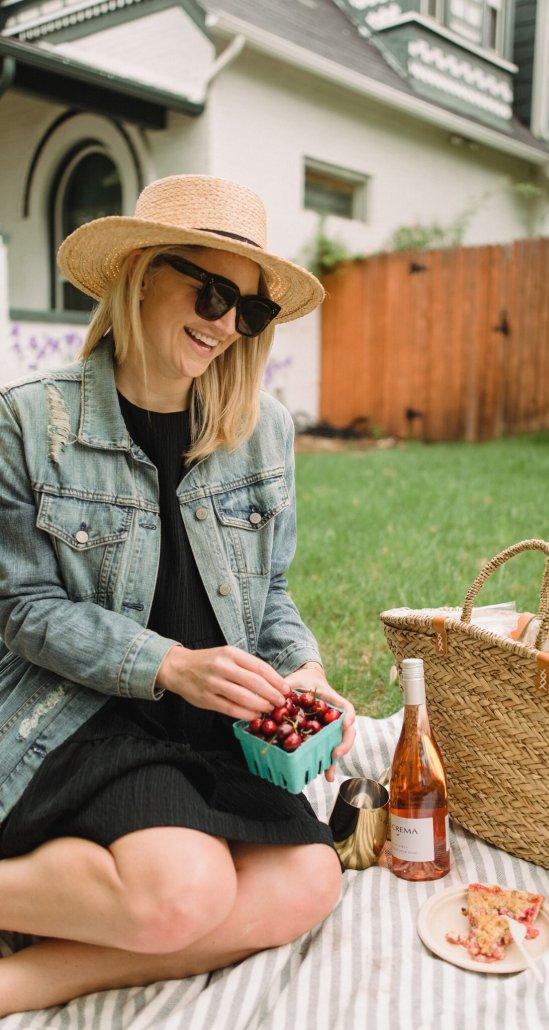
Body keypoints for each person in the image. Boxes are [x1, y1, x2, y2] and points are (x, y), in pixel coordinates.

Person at [0, 174, 355, 1014]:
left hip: (212, 723)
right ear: (140, 271)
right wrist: (170, 666)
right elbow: (20, 609)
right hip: (78, 713)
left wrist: (301, 667)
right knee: (184, 892)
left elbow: (271, 595)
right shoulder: (27, 422)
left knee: (311, 881)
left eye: (251, 312)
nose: (227, 325)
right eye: (213, 290)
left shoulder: (263, 429)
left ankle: (24, 975)